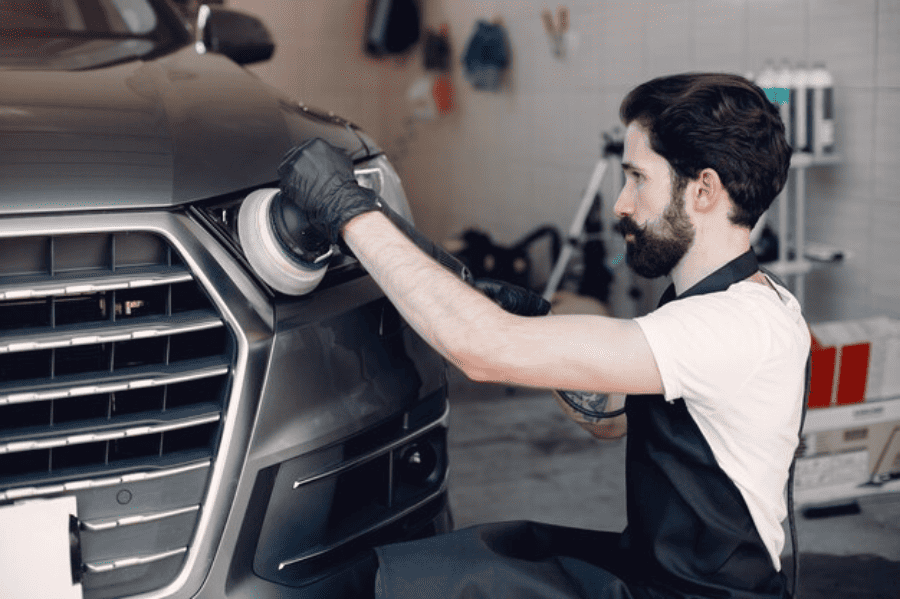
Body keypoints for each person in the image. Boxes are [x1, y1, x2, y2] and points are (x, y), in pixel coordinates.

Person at [275, 72, 810, 599]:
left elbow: (481, 353)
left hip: (696, 594)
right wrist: (538, 333)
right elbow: (612, 418)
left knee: (431, 583)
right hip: (657, 573)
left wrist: (348, 211)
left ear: (704, 189)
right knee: (487, 553)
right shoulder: (721, 305)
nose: (622, 204)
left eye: (638, 178)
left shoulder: (735, 327)